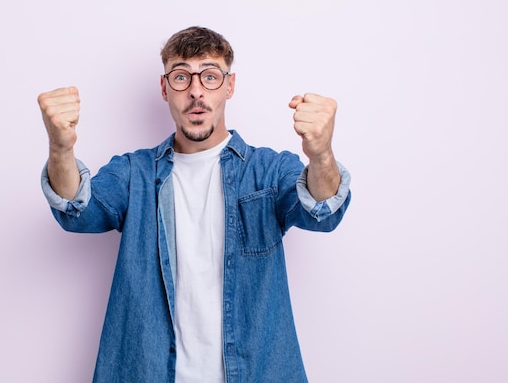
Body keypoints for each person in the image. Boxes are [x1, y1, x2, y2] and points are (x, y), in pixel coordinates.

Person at [38, 26, 351, 383]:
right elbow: (77, 211)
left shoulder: (268, 171)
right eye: (182, 76)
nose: (196, 91)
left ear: (230, 86)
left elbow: (323, 211)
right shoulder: (133, 173)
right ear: (164, 87)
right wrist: (60, 149)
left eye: (210, 76)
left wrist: (321, 154)